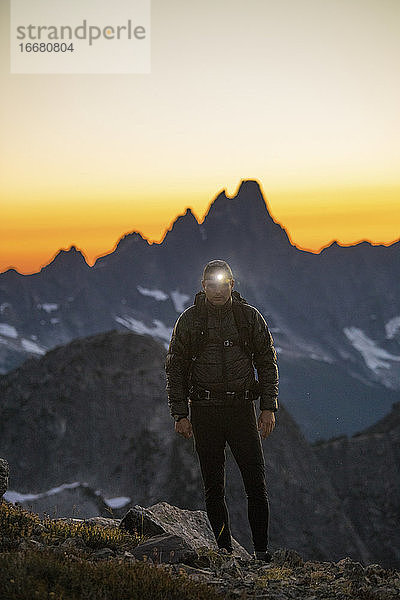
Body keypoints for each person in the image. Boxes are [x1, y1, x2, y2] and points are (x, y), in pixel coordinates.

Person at [165, 259, 278, 562]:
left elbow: (267, 361)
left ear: (232, 284)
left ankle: (262, 554)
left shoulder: (248, 317)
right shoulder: (189, 321)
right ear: (203, 287)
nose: (217, 289)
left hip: (242, 410)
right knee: (214, 488)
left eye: (222, 282)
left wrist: (268, 408)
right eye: (210, 284)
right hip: (204, 411)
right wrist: (180, 413)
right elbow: (175, 367)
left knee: (255, 483)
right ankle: (224, 552)